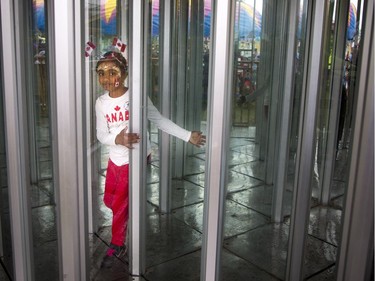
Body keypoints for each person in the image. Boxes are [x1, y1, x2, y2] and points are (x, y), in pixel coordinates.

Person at [95, 51, 206, 268]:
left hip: (135, 159)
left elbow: (158, 120)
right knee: (109, 199)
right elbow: (101, 134)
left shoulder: (137, 97)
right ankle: (122, 219)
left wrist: (187, 136)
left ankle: (118, 244)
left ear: (124, 73)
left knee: (119, 204)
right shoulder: (101, 103)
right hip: (115, 158)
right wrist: (117, 138)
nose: (106, 79)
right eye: (101, 73)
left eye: (112, 72)